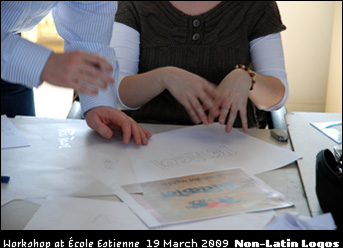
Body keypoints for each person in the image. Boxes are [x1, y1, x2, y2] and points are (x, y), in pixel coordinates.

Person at [105, 1, 289, 133]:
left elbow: (277, 97)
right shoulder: (131, 5)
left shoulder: (258, 6)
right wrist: (163, 77)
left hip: (231, 144)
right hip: (148, 141)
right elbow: (118, 94)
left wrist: (247, 78)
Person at [1, 1, 151, 145]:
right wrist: (44, 63)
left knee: (19, 155)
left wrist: (99, 103)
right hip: (12, 52)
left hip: (11, 44)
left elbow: (89, 27)